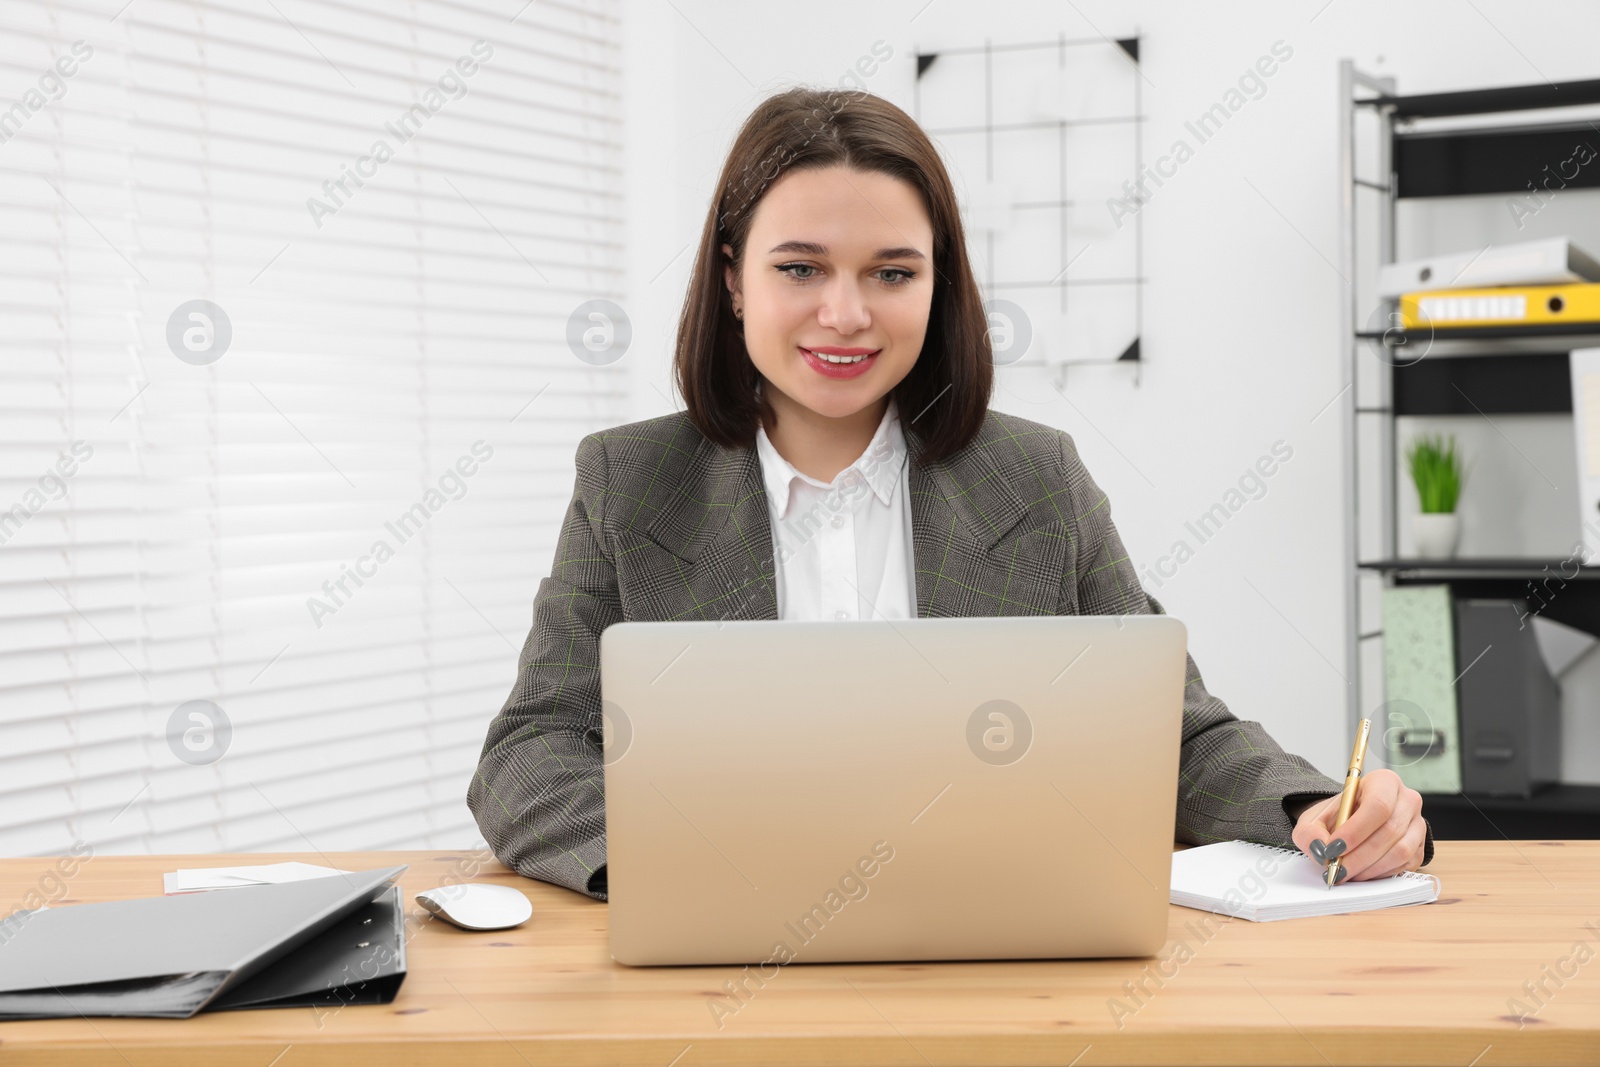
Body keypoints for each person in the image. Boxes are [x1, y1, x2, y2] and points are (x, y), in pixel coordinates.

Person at [467, 86, 1432, 901]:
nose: (844, 313)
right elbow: (529, 754)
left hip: (989, 952)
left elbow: (1171, 733)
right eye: (799, 267)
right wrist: (700, 869)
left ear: (938, 288)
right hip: (724, 955)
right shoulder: (628, 482)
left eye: (892, 272)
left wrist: (1314, 808)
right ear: (732, 278)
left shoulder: (1036, 479)